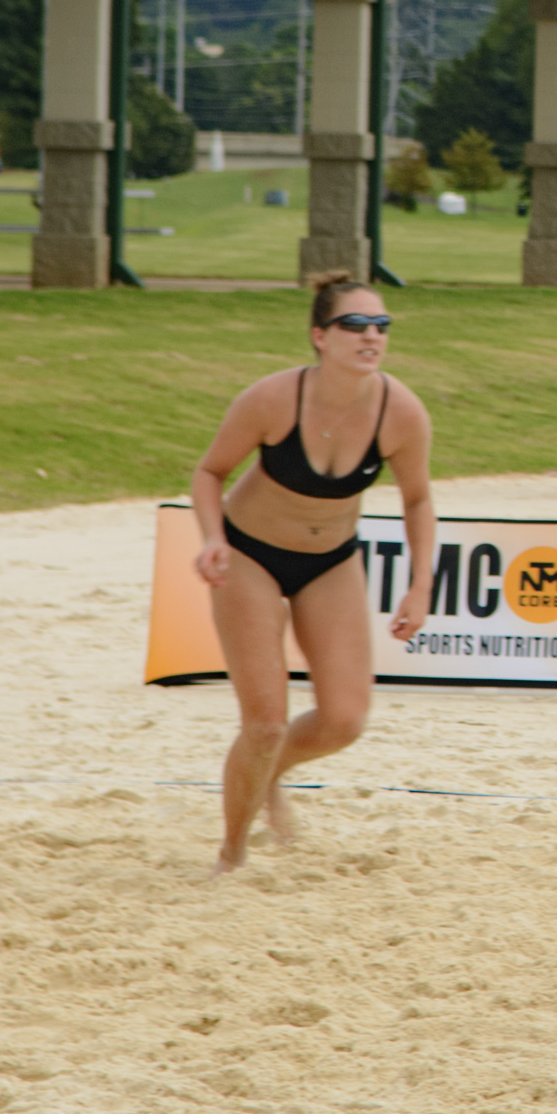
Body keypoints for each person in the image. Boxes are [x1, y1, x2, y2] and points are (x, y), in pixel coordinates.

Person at [186, 275, 437, 873]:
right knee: (266, 723)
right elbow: (208, 472)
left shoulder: (400, 411)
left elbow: (419, 501)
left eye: (381, 326)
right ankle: (233, 851)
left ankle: (269, 776)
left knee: (345, 721)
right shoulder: (272, 399)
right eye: (355, 325)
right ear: (320, 337)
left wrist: (421, 585)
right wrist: (212, 539)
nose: (371, 335)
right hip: (249, 554)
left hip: (330, 561)